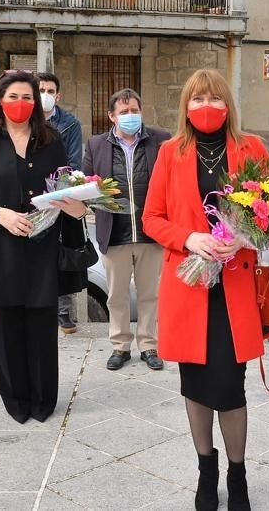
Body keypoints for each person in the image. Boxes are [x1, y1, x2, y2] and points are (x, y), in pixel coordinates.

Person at [142, 68, 268, 511]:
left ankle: (237, 474)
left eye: (215, 99)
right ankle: (205, 468)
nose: (207, 107)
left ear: (228, 105)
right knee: (194, 385)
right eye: (197, 100)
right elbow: (151, 217)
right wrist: (189, 238)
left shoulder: (250, 148)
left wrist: (244, 235)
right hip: (190, 285)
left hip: (234, 286)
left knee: (231, 386)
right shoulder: (169, 152)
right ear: (185, 107)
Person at [0, 71, 88, 423]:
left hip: (42, 251)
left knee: (43, 328)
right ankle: (16, 400)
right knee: (6, 328)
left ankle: (44, 400)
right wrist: (0, 214)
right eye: (12, 96)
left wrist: (78, 206)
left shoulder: (51, 141)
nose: (20, 104)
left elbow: (64, 188)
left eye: (27, 97)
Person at [83, 88, 170, 371]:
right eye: (124, 112)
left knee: (149, 294)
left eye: (134, 110)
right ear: (112, 116)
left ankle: (148, 345)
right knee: (116, 295)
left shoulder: (160, 140)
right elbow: (87, 185)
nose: (130, 116)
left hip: (151, 233)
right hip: (114, 232)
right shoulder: (96, 145)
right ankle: (120, 346)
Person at [38, 72, 85, 335]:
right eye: (40, 89)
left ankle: (64, 311)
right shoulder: (25, 120)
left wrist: (58, 190)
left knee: (61, 255)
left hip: (61, 195)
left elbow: (74, 163)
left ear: (58, 95)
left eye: (49, 90)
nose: (45, 94)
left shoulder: (69, 123)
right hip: (32, 198)